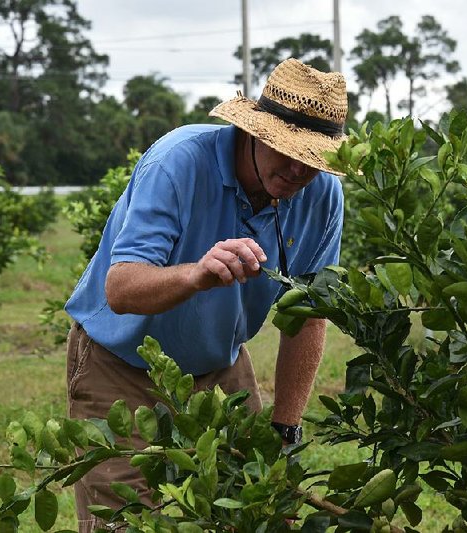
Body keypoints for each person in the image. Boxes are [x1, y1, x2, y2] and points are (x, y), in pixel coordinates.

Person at [64, 58, 347, 531]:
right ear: (256, 133)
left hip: (221, 366)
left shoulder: (322, 196)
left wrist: (284, 427)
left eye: (314, 159)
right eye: (286, 149)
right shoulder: (178, 162)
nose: (299, 170)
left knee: (258, 511)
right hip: (121, 368)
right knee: (126, 522)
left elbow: (309, 316)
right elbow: (121, 288)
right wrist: (196, 274)